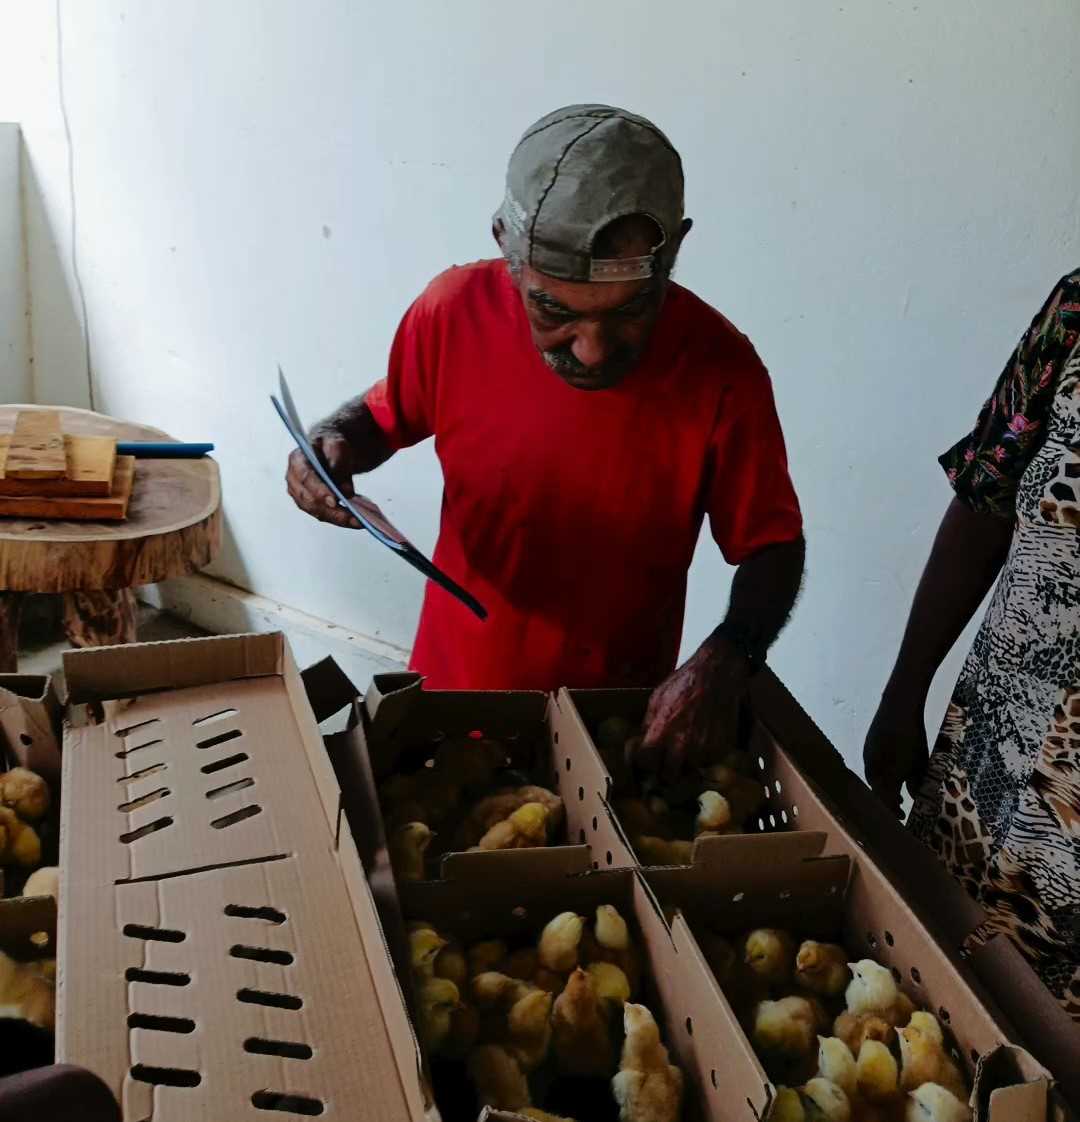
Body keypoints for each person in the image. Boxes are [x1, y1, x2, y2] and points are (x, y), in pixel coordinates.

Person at [287, 104, 805, 777]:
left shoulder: (722, 372)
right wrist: (329, 442)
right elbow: (384, 416)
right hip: (445, 698)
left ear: (675, 250)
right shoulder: (452, 312)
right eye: (552, 311)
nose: (591, 352)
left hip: (603, 732)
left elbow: (772, 545)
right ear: (506, 244)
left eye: (631, 313)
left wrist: (728, 657)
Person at [864, 269, 1080, 1020]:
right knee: (914, 1013)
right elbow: (985, 500)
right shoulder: (1077, 309)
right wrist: (902, 694)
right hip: (984, 776)